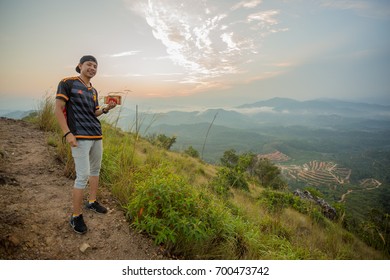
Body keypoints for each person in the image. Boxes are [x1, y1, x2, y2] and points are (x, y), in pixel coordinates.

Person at [55, 55, 117, 234]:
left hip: (96, 135)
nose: (92, 68)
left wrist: (106, 109)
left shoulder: (93, 90)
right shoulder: (67, 83)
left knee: (95, 171)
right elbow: (58, 109)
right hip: (79, 136)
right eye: (89, 64)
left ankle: (92, 202)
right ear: (80, 65)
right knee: (82, 176)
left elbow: (94, 112)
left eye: (95, 66)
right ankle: (76, 216)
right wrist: (67, 133)